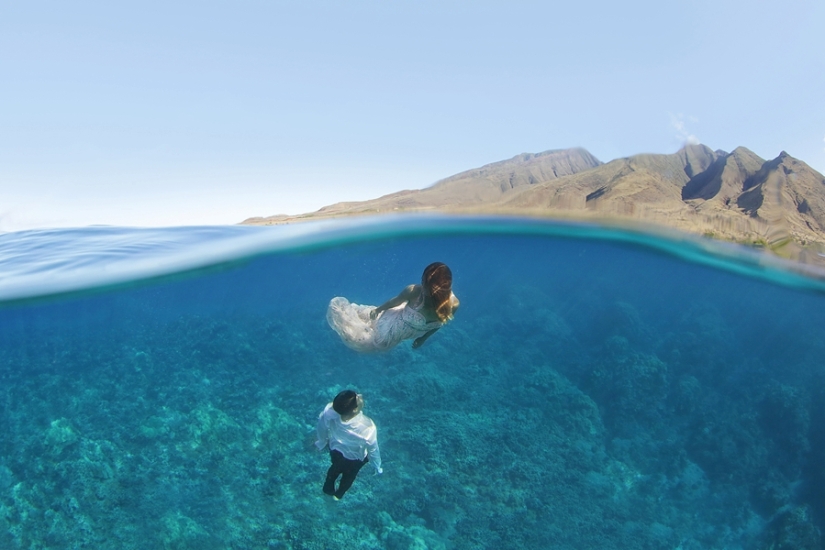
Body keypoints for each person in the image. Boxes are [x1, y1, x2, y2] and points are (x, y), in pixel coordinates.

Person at [326, 262, 460, 352]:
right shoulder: (415, 292)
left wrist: (423, 339)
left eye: (423, 282)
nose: (421, 284)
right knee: (359, 337)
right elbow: (394, 302)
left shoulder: (452, 305)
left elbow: (439, 324)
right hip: (389, 328)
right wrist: (378, 310)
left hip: (394, 334)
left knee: (363, 332)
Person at [315, 390, 382, 499]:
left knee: (334, 468)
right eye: (357, 398)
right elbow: (373, 449)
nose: (360, 395)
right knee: (349, 476)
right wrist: (377, 466)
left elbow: (322, 425)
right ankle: (338, 495)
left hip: (336, 450)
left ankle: (328, 488)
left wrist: (321, 442)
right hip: (355, 459)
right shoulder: (368, 428)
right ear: (355, 409)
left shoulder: (329, 411)